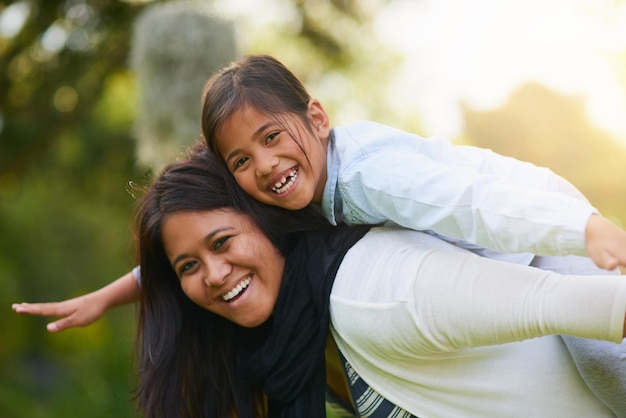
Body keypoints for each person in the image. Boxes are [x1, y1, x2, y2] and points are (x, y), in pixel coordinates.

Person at [13, 55, 626, 412]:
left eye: (273, 138)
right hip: (509, 248)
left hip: (541, 233)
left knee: (607, 363)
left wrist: (584, 228)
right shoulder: (286, 200)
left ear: (317, 118)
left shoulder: (369, 180)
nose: (265, 166)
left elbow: (470, 201)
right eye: (241, 161)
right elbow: (189, 249)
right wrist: (113, 293)